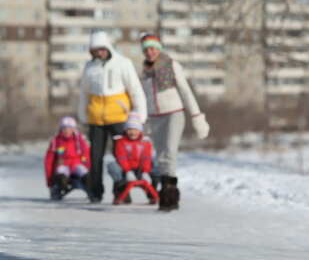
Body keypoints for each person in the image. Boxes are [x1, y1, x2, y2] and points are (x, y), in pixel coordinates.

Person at [139, 33, 210, 211]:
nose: (150, 52)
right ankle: (166, 193)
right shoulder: (144, 71)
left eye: (153, 48)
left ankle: (169, 195)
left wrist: (197, 117)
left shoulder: (171, 64)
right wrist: (144, 121)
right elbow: (144, 97)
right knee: (162, 155)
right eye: (146, 49)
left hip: (174, 113)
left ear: (159, 48)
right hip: (154, 117)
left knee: (170, 151)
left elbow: (185, 91)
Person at [78, 31, 147, 203]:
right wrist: (83, 114)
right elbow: (84, 93)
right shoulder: (89, 67)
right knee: (95, 157)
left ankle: (122, 191)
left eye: (101, 48)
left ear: (108, 47)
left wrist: (140, 115)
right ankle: (95, 192)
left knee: (121, 156)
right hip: (96, 118)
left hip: (119, 117)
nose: (99, 52)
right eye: (95, 49)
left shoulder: (123, 63)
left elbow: (135, 90)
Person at [107, 112, 154, 204]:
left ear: (140, 130)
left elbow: (146, 158)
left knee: (156, 166)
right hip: (125, 170)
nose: (132, 133)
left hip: (140, 170)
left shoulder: (145, 142)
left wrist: (145, 171)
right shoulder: (121, 141)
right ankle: (120, 193)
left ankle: (152, 193)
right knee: (113, 166)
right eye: (130, 129)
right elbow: (121, 157)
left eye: (135, 130)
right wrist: (128, 171)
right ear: (126, 130)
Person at [44, 116, 91, 201]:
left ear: (74, 129)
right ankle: (60, 188)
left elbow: (87, 156)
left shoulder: (80, 141)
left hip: (77, 165)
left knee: (86, 175)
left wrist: (88, 167)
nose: (67, 130)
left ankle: (91, 191)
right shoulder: (56, 141)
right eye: (64, 128)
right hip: (63, 166)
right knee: (61, 176)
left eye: (69, 128)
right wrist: (49, 180)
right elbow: (49, 161)